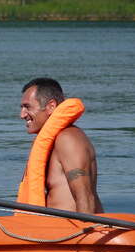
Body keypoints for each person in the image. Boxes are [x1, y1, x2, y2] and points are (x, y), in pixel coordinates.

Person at [18, 78, 103, 214]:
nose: (21, 115)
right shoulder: (53, 142)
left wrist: (84, 231)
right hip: (52, 230)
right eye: (21, 108)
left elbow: (86, 198)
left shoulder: (68, 139)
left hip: (73, 231)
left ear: (51, 106)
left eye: (27, 107)